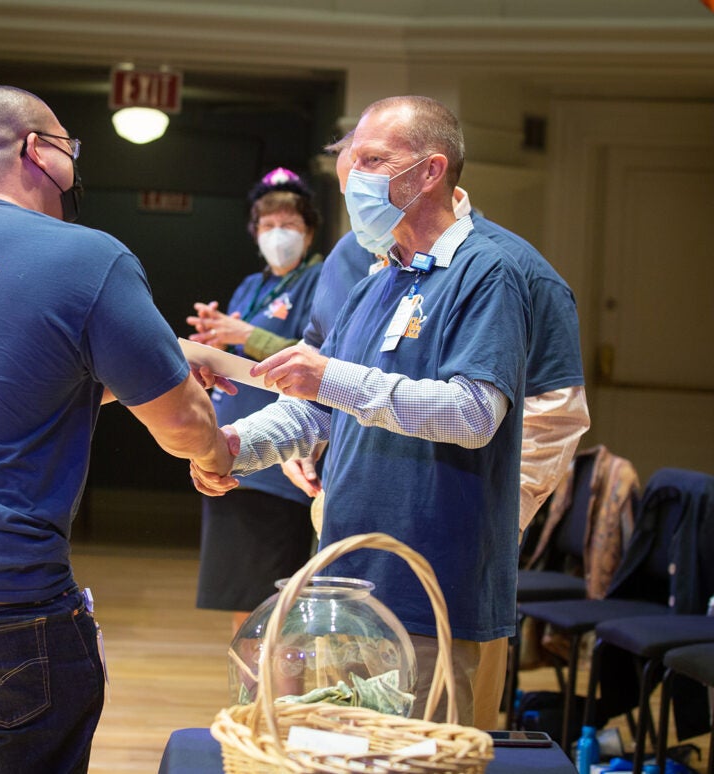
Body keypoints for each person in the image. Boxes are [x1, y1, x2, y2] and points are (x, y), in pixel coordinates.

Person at [0, 85, 233, 774]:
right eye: (67, 148)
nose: (73, 165)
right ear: (36, 150)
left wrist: (172, 359)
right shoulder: (87, 257)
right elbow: (181, 423)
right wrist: (216, 454)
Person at [190, 95, 532, 727]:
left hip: (433, 588)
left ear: (431, 171)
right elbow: (322, 409)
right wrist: (235, 446)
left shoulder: (488, 272)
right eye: (352, 158)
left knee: (416, 764)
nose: (353, 174)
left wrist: (335, 378)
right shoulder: (379, 279)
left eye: (374, 159)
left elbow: (475, 413)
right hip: (344, 585)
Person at [282, 131, 591, 729]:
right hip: (353, 545)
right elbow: (331, 379)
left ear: (430, 172)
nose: (357, 192)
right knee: (350, 745)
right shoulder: (374, 268)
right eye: (348, 179)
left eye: (371, 165)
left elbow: (549, 416)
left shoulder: (507, 270)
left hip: (448, 554)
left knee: (440, 737)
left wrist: (499, 515)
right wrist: (265, 444)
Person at [187, 167, 323, 634]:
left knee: (267, 596)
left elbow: (317, 358)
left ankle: (265, 698)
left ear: (308, 232)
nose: (278, 234)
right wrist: (215, 344)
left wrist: (246, 333)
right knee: (242, 595)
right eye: (268, 226)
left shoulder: (320, 280)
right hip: (231, 446)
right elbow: (238, 351)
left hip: (278, 458)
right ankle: (250, 696)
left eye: (289, 225)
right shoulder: (252, 284)